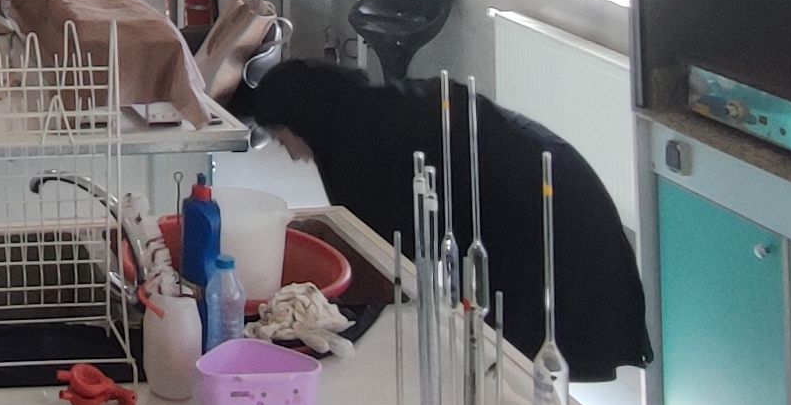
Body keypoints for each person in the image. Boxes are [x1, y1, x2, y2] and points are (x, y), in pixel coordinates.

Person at [228, 59, 655, 382]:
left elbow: (386, 261)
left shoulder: (361, 144)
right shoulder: (363, 113)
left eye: (283, 139)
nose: (291, 155)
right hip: (542, 191)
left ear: (304, 122)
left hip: (550, 214)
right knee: (508, 349)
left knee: (524, 357)